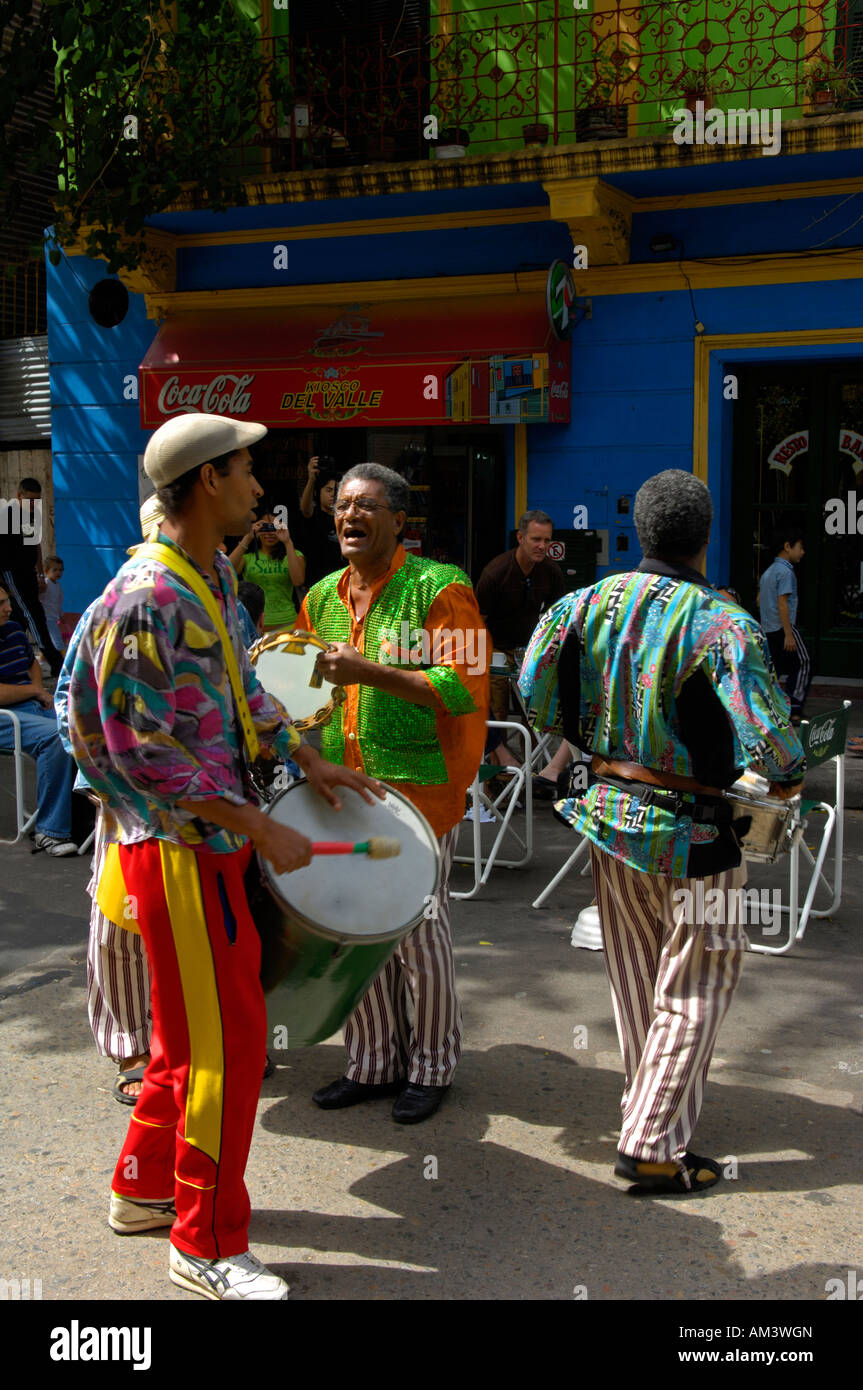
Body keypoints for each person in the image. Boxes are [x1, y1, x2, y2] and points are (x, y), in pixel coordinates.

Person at [62, 413, 385, 1299]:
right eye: (246, 470)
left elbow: (241, 687)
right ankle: (203, 1243)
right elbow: (137, 748)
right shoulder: (145, 598)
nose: (257, 486)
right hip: (181, 848)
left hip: (204, 843)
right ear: (207, 481)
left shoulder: (208, 575)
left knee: (187, 1036)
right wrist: (253, 825)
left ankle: (141, 1189)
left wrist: (304, 754)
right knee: (230, 1052)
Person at [519, 469, 806, 1196]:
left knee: (637, 982)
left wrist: (590, 735)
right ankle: (648, 1145)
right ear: (705, 536)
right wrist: (788, 777)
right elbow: (772, 743)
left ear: (643, 531)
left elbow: (530, 691)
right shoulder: (722, 623)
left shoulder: (581, 603)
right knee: (698, 984)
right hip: (698, 832)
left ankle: (646, 1115)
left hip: (608, 816)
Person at [298, 462, 489, 1124]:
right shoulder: (319, 596)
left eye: (367, 507)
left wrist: (370, 673)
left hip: (419, 793)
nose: (349, 517)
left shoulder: (440, 588)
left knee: (416, 930)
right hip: (342, 788)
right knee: (354, 929)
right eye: (342, 506)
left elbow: (463, 684)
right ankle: (372, 1062)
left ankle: (432, 1066)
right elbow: (308, 692)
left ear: (399, 522)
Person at [475, 509, 570, 794]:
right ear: (521, 538)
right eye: (536, 539)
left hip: (529, 649)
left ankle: (532, 776)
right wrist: (489, 659)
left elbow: (557, 615)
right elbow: (478, 621)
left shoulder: (550, 572)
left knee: (536, 713)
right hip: (495, 648)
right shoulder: (496, 572)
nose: (542, 546)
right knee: (498, 712)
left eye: (547, 540)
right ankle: (497, 781)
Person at [0, 583, 77, 854]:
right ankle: (50, 831)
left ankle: (83, 820)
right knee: (57, 736)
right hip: (5, 716)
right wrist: (35, 690)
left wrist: (39, 693)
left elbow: (31, 662)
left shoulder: (11, 629)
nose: (8, 608)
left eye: (8, 601)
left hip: (30, 705)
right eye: (1, 604)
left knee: (82, 723)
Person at [0, 477, 62, 677]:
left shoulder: (31, 516)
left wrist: (40, 574)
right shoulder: (6, 515)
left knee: (20, 618)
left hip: (28, 572)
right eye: (31, 499)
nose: (35, 503)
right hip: (11, 573)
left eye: (38, 500)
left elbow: (35, 545)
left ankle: (14, 655)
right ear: (20, 496)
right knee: (33, 615)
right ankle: (55, 660)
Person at [758, 525, 811, 725]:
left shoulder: (769, 572)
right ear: (787, 546)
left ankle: (772, 706)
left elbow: (759, 599)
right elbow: (783, 603)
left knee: (776, 668)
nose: (802, 552)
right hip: (782, 627)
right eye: (800, 547)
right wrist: (789, 633)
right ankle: (794, 706)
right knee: (805, 662)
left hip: (769, 628)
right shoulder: (786, 573)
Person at [229, 511, 305, 630]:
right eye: (265, 527)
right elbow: (226, 571)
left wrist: (287, 542)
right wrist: (248, 538)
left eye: (274, 527)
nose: (270, 533)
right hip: (253, 625)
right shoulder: (248, 557)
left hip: (287, 623)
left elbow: (298, 581)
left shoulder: (293, 555)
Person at [297, 455, 344, 587]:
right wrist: (311, 479)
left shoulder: (345, 518)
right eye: (328, 490)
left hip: (341, 583)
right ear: (317, 493)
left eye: (336, 491)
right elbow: (305, 509)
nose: (332, 494)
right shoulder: (314, 515)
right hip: (317, 583)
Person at [41, 555, 66, 654]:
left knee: (48, 640)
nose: (58, 572)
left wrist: (61, 614)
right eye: (55, 570)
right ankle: (63, 658)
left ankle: (43, 658)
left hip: (53, 618)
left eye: (60, 570)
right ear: (46, 571)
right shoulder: (45, 584)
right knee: (57, 640)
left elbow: (58, 602)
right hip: (46, 618)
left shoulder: (57, 585)